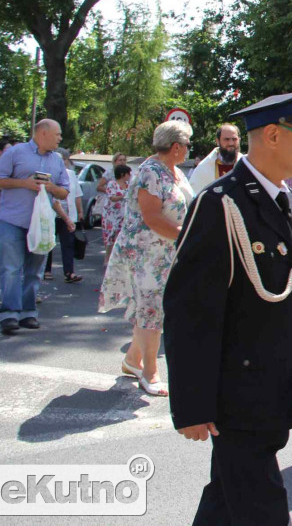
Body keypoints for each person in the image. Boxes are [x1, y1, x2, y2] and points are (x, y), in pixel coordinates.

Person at [163, 89, 292, 525]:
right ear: (273, 136)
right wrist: (191, 405)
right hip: (237, 394)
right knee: (263, 508)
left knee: (226, 499)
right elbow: (189, 311)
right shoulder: (221, 204)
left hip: (273, 387)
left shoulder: (282, 199)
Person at [99, 121, 195, 395]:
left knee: (152, 309)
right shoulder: (150, 172)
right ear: (176, 147)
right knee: (151, 310)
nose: (189, 150)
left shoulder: (173, 171)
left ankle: (132, 360)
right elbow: (152, 218)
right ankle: (150, 373)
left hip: (164, 253)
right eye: (187, 145)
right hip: (146, 254)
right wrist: (188, 236)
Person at [0, 120, 70, 335]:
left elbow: (65, 192)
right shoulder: (16, 153)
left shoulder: (57, 160)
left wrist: (51, 187)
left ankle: (28, 313)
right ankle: (9, 315)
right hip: (13, 221)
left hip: (42, 224)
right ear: (43, 133)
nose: (60, 138)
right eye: (57, 134)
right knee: (11, 269)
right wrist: (23, 183)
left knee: (34, 271)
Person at [45, 148, 84, 283]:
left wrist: (80, 212)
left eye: (64, 159)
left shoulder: (71, 174)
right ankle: (47, 270)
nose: (62, 162)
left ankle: (69, 272)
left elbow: (77, 194)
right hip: (52, 215)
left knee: (68, 244)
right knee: (49, 243)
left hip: (68, 214)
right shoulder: (49, 175)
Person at [188, 123, 243, 194]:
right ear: (217, 141)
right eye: (226, 139)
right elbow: (195, 197)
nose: (231, 143)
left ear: (239, 140)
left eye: (234, 139)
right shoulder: (204, 168)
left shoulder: (247, 164)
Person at [101, 164, 131, 267]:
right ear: (123, 174)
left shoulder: (128, 185)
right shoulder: (112, 184)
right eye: (128, 173)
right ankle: (107, 259)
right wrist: (123, 196)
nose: (129, 175)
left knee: (122, 236)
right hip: (112, 215)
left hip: (124, 213)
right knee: (111, 237)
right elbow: (112, 197)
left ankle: (120, 259)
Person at [95, 153, 128, 221]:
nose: (122, 162)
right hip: (111, 204)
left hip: (123, 207)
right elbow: (99, 187)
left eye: (124, 160)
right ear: (115, 162)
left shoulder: (127, 173)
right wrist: (111, 192)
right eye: (120, 160)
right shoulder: (109, 172)